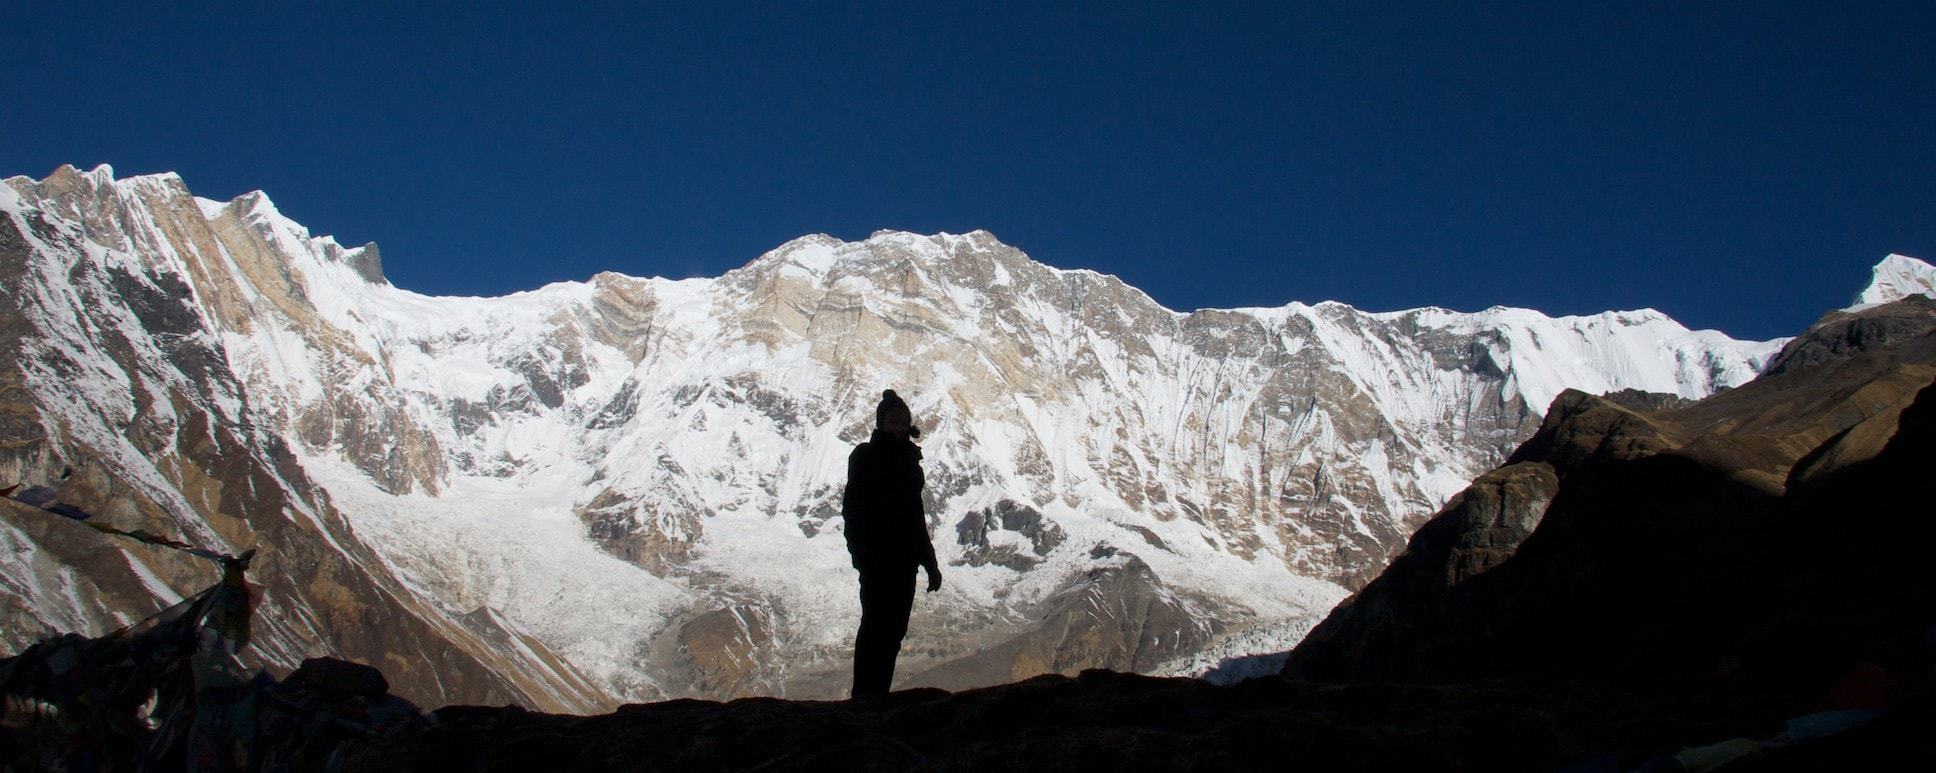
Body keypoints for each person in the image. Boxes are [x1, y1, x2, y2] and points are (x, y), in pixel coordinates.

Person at [843, 389, 942, 698]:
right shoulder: (865, 457)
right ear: (880, 423)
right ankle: (864, 696)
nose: (898, 427)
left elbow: (915, 516)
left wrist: (930, 563)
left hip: (904, 560)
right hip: (877, 560)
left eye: (902, 422)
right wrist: (862, 556)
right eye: (892, 421)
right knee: (875, 626)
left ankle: (878, 695)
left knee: (894, 631)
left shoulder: (910, 462)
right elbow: (853, 510)